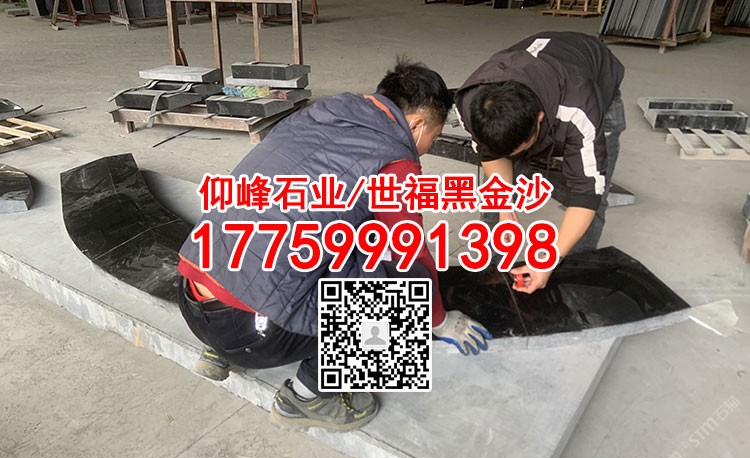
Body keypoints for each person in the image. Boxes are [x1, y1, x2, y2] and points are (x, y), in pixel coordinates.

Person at [177, 59, 492, 432]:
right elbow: (410, 256)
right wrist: (439, 320)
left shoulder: (322, 112)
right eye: (433, 136)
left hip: (192, 294)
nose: (427, 147)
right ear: (416, 125)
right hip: (248, 332)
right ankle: (307, 396)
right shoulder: (395, 162)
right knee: (406, 293)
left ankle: (220, 351)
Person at [455, 31, 626, 294]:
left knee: (595, 195)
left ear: (539, 119)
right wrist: (505, 209)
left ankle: (571, 283)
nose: (515, 156)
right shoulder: (472, 103)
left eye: (521, 149)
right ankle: (495, 275)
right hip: (539, 80)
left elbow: (586, 194)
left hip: (593, 81)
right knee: (496, 197)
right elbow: (492, 157)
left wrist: (548, 259)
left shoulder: (579, 109)